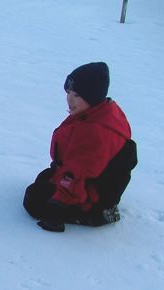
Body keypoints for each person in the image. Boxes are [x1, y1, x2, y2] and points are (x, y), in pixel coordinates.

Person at [23, 62, 138, 232]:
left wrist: (58, 207)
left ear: (93, 96)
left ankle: (99, 214)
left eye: (76, 95)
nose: (69, 99)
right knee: (42, 181)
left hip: (93, 191)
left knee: (34, 202)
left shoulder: (97, 131)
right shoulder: (93, 112)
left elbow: (79, 169)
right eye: (68, 93)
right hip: (87, 177)